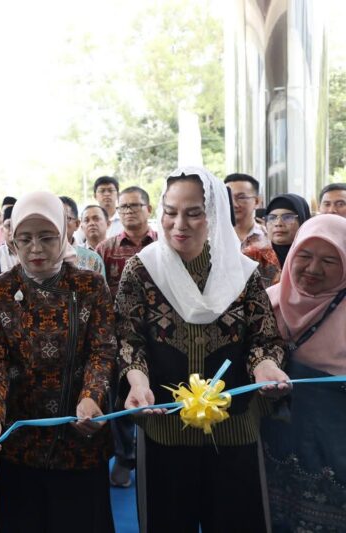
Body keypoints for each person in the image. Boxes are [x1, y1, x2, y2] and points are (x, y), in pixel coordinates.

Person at [117, 166, 289, 532]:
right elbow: (129, 338)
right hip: (165, 427)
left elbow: (262, 337)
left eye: (194, 213)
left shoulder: (241, 271)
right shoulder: (142, 270)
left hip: (234, 426)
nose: (179, 224)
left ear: (214, 215)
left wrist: (264, 366)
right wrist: (137, 381)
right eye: (170, 211)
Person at [0, 191, 117, 532]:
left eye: (47, 237)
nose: (35, 248)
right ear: (12, 241)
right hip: (20, 440)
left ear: (64, 234)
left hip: (80, 434)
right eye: (25, 239)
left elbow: (102, 350)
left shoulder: (90, 285)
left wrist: (92, 397)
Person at [262, 214, 346, 531]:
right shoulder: (266, 304)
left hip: (333, 453)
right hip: (271, 448)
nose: (313, 269)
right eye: (305, 256)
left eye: (329, 260)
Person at [94, 185, 156, 488]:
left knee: (156, 393)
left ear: (149, 209)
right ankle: (124, 457)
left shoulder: (163, 245)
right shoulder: (105, 249)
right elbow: (96, 295)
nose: (129, 211)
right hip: (118, 336)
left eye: (135, 206)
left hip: (158, 334)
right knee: (119, 398)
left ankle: (153, 455)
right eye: (124, 207)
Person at [60, 196, 105, 276]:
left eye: (65, 218)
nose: (58, 223)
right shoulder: (39, 256)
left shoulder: (93, 259)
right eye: (54, 218)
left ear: (77, 224)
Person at [264, 193, 311, 268]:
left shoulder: (314, 258)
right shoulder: (256, 258)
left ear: (302, 221)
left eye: (288, 217)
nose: (278, 223)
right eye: (272, 218)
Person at [224, 173, 269, 249]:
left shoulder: (268, 237)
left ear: (257, 201)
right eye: (228, 197)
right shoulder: (214, 237)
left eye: (241, 197)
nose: (233, 204)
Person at [0, 205, 18, 272]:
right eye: (8, 225)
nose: (12, 230)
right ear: (2, 230)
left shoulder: (30, 252)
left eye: (15, 225)